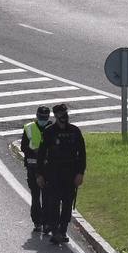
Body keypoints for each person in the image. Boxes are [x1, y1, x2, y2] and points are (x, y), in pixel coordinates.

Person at [38, 102, 86, 245]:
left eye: (65, 115)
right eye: (60, 116)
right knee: (53, 203)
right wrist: (39, 175)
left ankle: (63, 230)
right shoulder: (49, 132)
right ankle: (55, 230)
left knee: (67, 204)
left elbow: (82, 154)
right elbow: (41, 155)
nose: (64, 118)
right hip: (53, 174)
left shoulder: (75, 131)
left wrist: (80, 173)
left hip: (70, 174)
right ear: (56, 116)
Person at [22, 106, 51, 233]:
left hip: (48, 169)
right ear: (37, 117)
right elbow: (23, 147)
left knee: (47, 197)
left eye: (45, 118)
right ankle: (37, 222)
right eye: (41, 118)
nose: (43, 120)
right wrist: (34, 151)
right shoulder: (29, 128)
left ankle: (46, 223)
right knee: (35, 196)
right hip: (33, 167)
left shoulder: (52, 129)